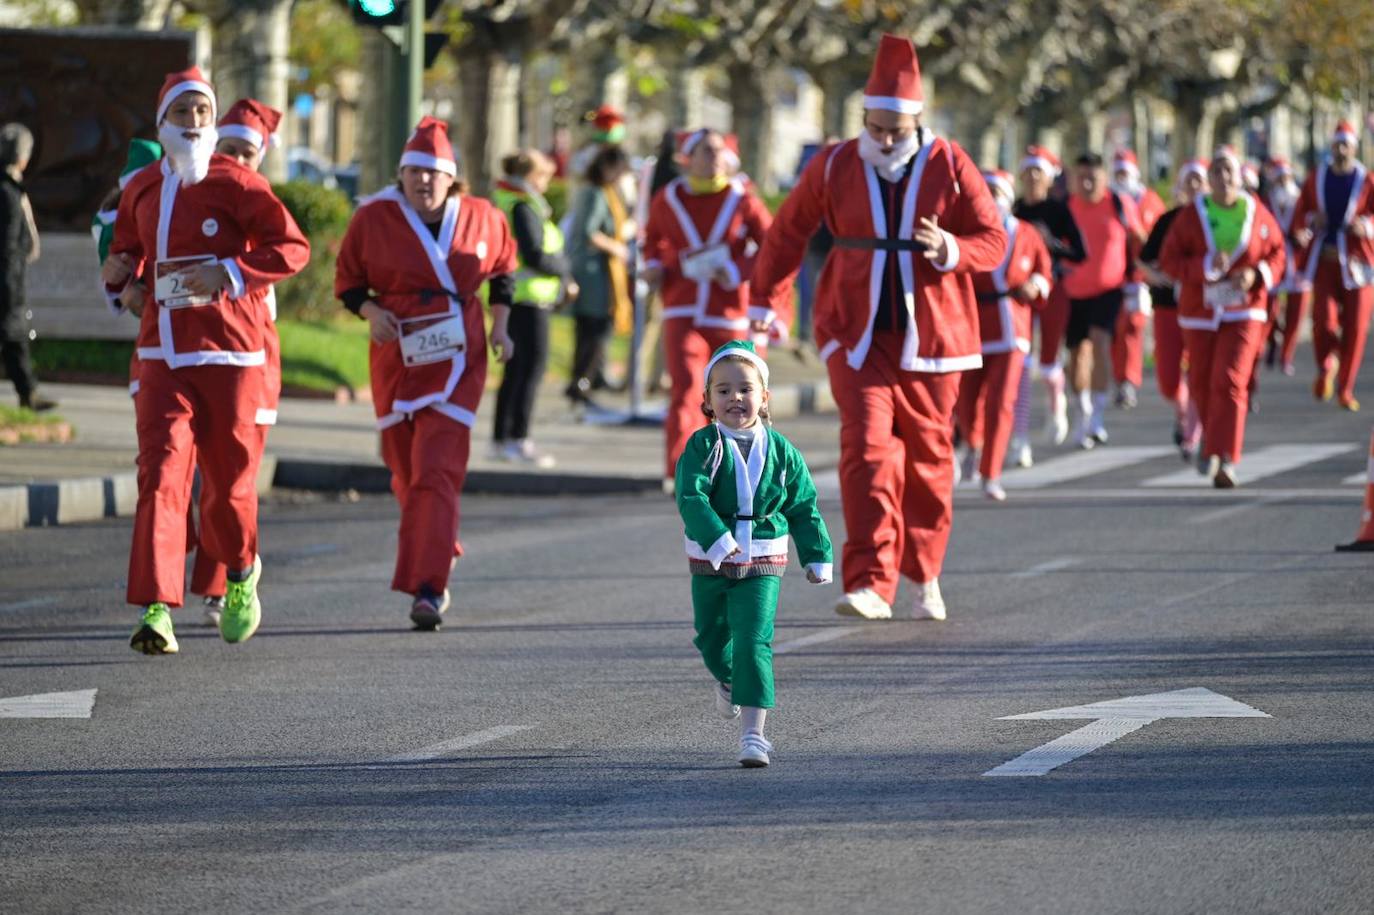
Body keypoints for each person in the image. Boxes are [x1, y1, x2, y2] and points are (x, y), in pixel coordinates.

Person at [750, 33, 1007, 622]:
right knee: (866, 451)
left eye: (896, 128)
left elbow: (992, 242)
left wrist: (952, 250)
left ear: (916, 122)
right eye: (876, 126)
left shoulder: (949, 161)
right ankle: (870, 580)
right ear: (863, 118)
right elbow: (788, 231)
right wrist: (768, 298)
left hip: (934, 340)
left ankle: (925, 573)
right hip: (854, 333)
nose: (885, 139)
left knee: (928, 461)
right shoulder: (837, 162)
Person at [102, 68, 310, 654]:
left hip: (231, 354)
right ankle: (155, 608)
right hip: (162, 351)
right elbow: (125, 252)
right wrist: (120, 277)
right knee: (163, 475)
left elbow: (293, 248)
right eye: (183, 113)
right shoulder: (142, 186)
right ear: (162, 123)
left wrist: (232, 272)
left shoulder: (238, 183)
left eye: (202, 113)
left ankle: (241, 573)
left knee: (228, 486)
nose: (194, 124)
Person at [335, 116, 517, 630]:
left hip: (460, 357)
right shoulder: (372, 217)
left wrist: (501, 328)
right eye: (413, 172)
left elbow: (503, 273)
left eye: (433, 174)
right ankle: (441, 539)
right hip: (396, 357)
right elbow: (348, 282)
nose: (423, 182)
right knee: (406, 472)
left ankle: (428, 588)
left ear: (451, 177)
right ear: (401, 175)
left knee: (436, 468)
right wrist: (372, 314)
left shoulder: (482, 216)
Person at [674, 340, 832, 768]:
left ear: (764, 397)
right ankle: (727, 679)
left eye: (745, 389)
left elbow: (803, 505)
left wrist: (817, 555)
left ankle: (754, 735)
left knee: (753, 641)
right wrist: (718, 539)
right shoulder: (702, 446)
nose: (735, 398)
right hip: (710, 559)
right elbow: (690, 497)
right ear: (707, 400)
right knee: (711, 638)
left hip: (764, 556)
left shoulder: (782, 451)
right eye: (722, 390)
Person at [643, 128, 773, 484]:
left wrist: (737, 270)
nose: (713, 156)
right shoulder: (668, 198)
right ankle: (682, 472)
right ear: (687, 157)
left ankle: (736, 469)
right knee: (686, 389)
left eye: (718, 150)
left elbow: (772, 245)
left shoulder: (742, 197)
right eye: (704, 151)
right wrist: (654, 265)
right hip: (682, 306)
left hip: (729, 311)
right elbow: (651, 241)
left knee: (732, 391)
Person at [1159, 146, 1285, 488]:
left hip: (1245, 309)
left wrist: (1256, 274)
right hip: (1200, 312)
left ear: (1239, 175)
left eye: (1228, 171)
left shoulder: (1257, 214)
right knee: (1200, 381)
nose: (1223, 178)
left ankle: (1226, 457)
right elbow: (1169, 262)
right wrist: (1202, 267)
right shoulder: (1191, 215)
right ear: (1208, 178)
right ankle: (1209, 442)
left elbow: (1278, 254)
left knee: (1230, 380)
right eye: (1216, 172)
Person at [956, 169, 1051, 501]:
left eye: (999, 193)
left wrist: (1035, 285)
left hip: (1013, 327)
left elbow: (1044, 272)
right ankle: (971, 442)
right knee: (966, 402)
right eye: (988, 192)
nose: (994, 200)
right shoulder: (967, 232)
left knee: (1001, 403)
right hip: (972, 326)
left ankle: (991, 472)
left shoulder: (1026, 234)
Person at [491, 149, 572, 467]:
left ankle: (503, 438)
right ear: (530, 176)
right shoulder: (523, 206)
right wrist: (564, 268)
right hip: (526, 297)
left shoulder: (513, 200)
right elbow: (535, 254)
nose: (547, 183)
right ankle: (517, 438)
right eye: (544, 176)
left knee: (516, 369)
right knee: (530, 369)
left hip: (521, 297)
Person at [1062, 152, 1145, 449]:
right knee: (1076, 356)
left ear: (1104, 179)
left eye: (1092, 178)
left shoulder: (1119, 204)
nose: (1086, 183)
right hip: (1072, 292)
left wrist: (1143, 276)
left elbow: (1140, 240)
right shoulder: (1066, 208)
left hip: (1110, 288)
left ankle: (1096, 417)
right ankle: (1081, 410)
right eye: (1081, 177)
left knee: (1099, 341)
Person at [1291, 120, 1374, 412]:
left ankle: (1345, 389)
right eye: (1337, 145)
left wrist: (1367, 225)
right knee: (1322, 321)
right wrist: (1310, 221)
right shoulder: (1317, 177)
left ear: (1354, 147)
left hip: (1358, 265)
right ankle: (1327, 365)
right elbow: (1302, 211)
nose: (1341, 150)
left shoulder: (1366, 180)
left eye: (1346, 145)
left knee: (1355, 329)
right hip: (1325, 261)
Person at [1010, 145, 1085, 466]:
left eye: (1036, 172)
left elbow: (1080, 253)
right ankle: (1020, 440)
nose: (1031, 179)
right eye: (1026, 172)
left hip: (1052, 290)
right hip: (1020, 294)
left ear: (1048, 176)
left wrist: (1048, 242)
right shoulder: (1013, 209)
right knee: (1021, 367)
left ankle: (1057, 402)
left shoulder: (1059, 210)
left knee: (1049, 364)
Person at [1139, 158, 1207, 459]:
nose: (1193, 187)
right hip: (1167, 305)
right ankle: (1182, 412)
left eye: (1199, 181)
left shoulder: (1215, 221)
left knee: (1198, 372)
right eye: (1188, 181)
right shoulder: (1168, 220)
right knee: (1168, 378)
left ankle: (1192, 434)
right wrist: (1160, 277)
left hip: (1203, 307)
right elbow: (1143, 259)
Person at [564, 145, 632, 410]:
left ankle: (587, 381)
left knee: (596, 331)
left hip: (603, 272)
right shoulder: (593, 194)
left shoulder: (607, 193)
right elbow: (589, 231)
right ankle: (581, 383)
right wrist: (617, 247)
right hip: (592, 274)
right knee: (594, 330)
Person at [1, 122, 56, 412]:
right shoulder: (7, 194)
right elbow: (8, 245)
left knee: (14, 339)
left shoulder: (10, 188)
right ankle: (29, 394)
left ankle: (28, 393)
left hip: (11, 279)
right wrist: (11, 286)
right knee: (14, 337)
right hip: (7, 282)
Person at [1110, 149, 1167, 409]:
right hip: (1110, 277)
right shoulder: (1107, 200)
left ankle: (1129, 381)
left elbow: (1160, 239)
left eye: (1125, 172)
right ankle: (1117, 377)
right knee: (1113, 331)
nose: (1122, 177)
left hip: (1140, 278)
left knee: (1132, 327)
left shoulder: (1151, 201)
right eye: (1118, 172)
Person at [1262, 157, 1307, 375]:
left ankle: (1286, 356)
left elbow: (1312, 228)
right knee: (1269, 311)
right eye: (1278, 178)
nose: (1283, 182)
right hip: (1274, 263)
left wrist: (1304, 236)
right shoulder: (1265, 203)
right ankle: (1272, 340)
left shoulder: (1301, 200)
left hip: (1298, 264)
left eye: (1286, 177)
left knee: (1296, 314)